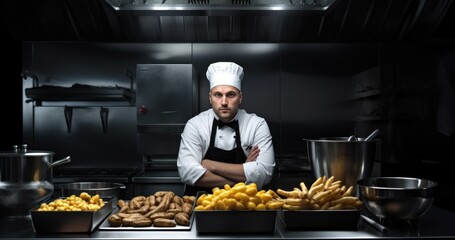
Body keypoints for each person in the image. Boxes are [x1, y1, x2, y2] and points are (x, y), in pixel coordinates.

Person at [177, 62, 275, 196]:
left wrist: (210, 165)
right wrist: (244, 174)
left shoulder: (257, 124)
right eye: (218, 95)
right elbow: (187, 172)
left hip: (245, 206)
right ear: (210, 97)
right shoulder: (195, 125)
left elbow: (264, 173)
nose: (223, 102)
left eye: (230, 95)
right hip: (201, 206)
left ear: (240, 97)